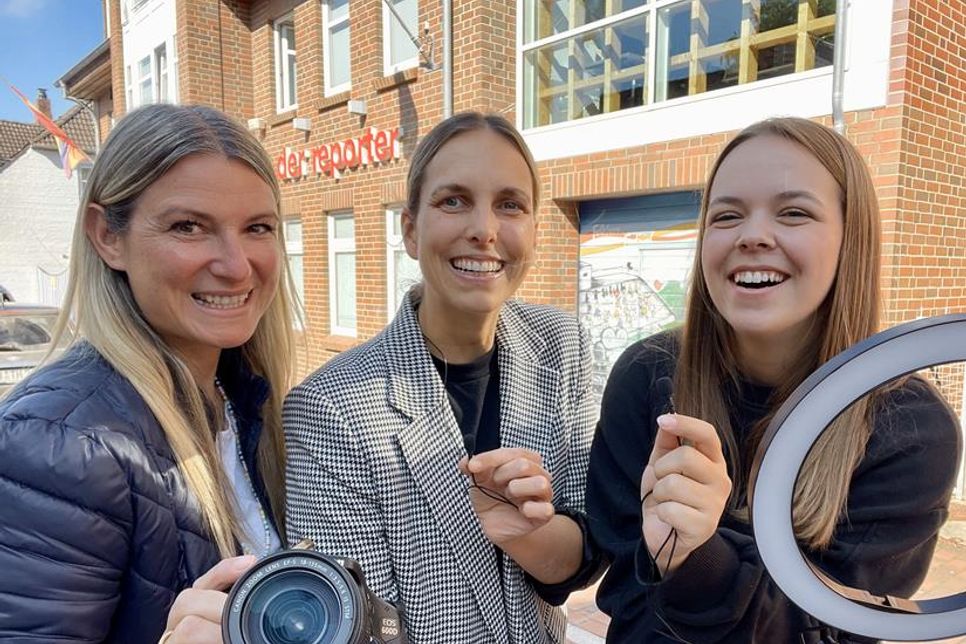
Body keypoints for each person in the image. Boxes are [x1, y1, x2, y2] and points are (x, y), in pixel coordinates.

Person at [586, 117, 962, 643]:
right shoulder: (646, 376)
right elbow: (627, 600)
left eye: (793, 213)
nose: (753, 235)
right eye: (727, 215)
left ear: (849, 239)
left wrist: (700, 559)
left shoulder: (910, 425)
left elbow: (837, 634)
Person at [284, 112, 601, 643]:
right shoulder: (329, 408)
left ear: (534, 230)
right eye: (453, 200)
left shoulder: (561, 345)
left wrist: (529, 534)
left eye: (510, 204)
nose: (484, 229)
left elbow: (583, 557)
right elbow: (361, 627)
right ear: (411, 230)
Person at [0, 104, 298, 643]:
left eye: (257, 227)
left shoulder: (248, 401)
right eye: (189, 226)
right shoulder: (58, 443)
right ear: (107, 236)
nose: (235, 265)